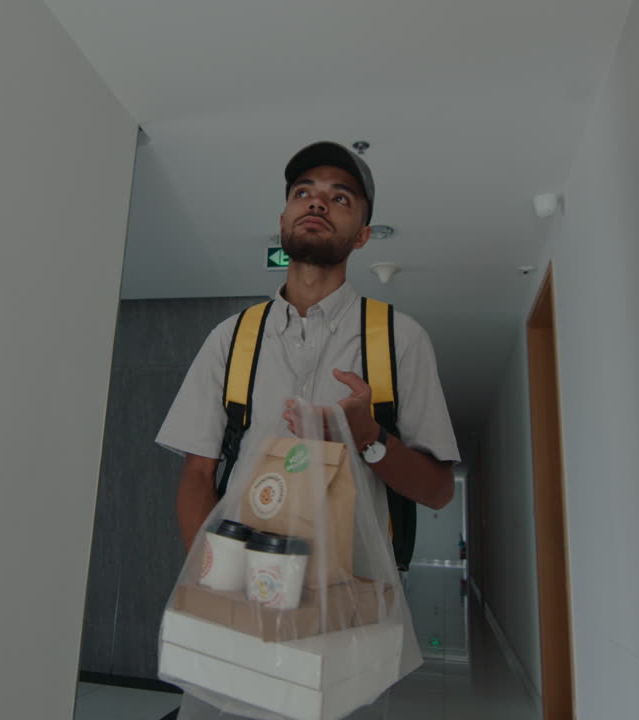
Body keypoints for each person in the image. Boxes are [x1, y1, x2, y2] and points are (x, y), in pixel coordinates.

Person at [155, 141, 461, 719]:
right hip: (239, 601)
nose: (317, 204)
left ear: (363, 234)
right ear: (283, 218)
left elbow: (439, 490)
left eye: (339, 197)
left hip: (350, 610)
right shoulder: (232, 338)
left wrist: (369, 436)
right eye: (304, 193)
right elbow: (197, 471)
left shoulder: (398, 340)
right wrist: (217, 583)